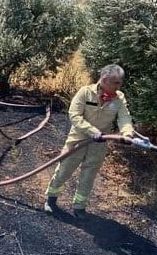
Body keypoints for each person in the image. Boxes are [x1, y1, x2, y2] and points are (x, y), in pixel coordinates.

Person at [44, 64, 135, 220]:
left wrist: (127, 133)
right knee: (64, 169)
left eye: (120, 82)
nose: (119, 85)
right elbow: (74, 115)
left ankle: (80, 206)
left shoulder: (119, 98)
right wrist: (93, 132)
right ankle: (51, 199)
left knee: (89, 175)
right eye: (116, 82)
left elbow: (124, 117)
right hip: (78, 140)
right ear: (105, 80)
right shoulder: (85, 92)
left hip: (99, 145)